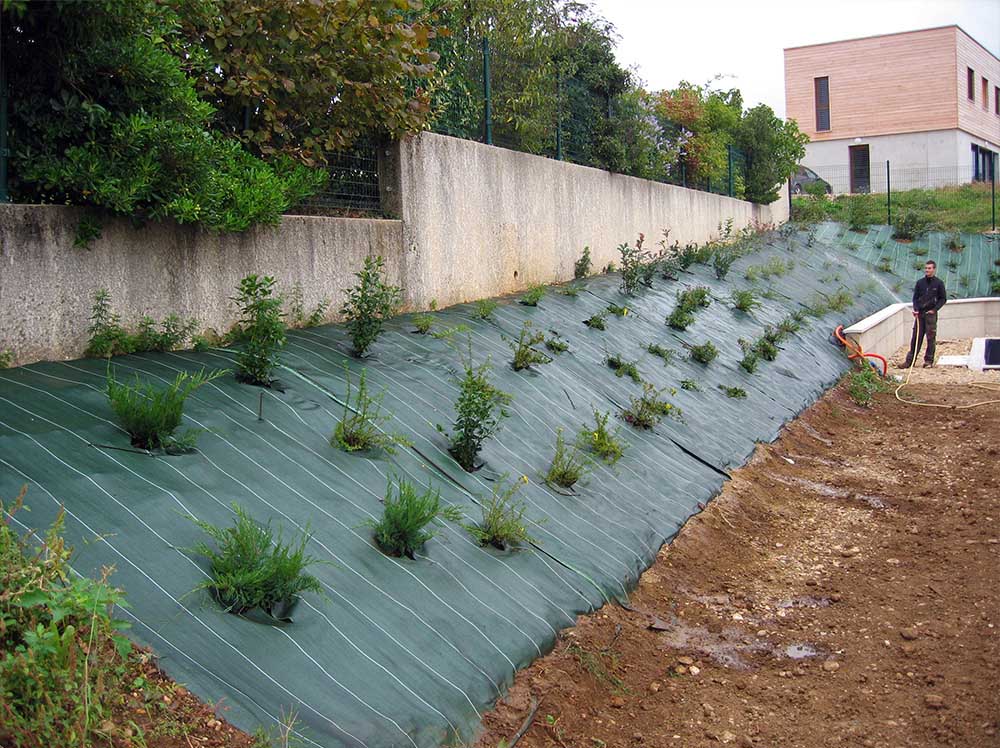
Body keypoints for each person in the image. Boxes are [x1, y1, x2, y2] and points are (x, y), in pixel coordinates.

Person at [903, 260, 946, 368]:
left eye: (929, 268)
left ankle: (928, 361)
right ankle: (909, 361)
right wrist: (916, 309)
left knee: (931, 338)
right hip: (920, 315)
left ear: (934, 269)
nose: (927, 270)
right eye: (926, 268)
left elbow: (943, 299)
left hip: (930, 315)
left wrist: (935, 309)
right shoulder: (920, 283)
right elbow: (915, 298)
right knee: (916, 337)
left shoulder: (939, 283)